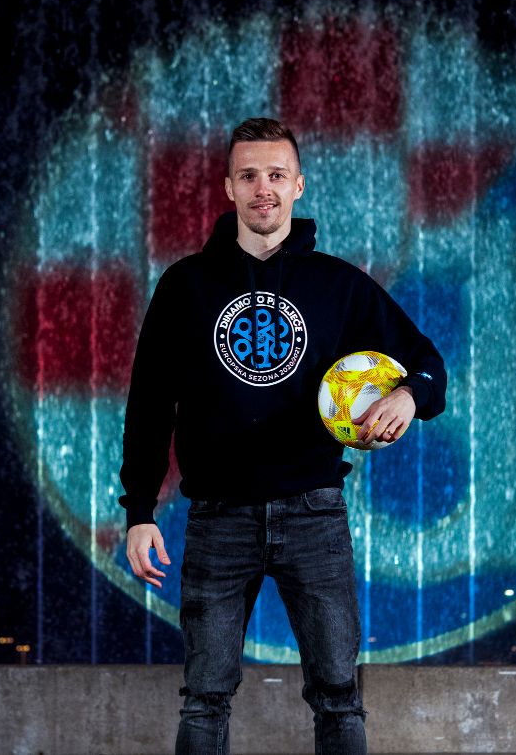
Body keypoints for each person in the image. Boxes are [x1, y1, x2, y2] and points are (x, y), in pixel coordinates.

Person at [119, 117, 446, 754]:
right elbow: (150, 404)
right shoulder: (186, 285)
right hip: (218, 518)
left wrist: (408, 395)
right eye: (248, 176)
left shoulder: (337, 285)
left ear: (298, 185)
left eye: (276, 175)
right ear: (228, 187)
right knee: (205, 697)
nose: (262, 187)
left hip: (313, 513)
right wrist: (139, 511)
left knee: (339, 696)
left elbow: (427, 362)